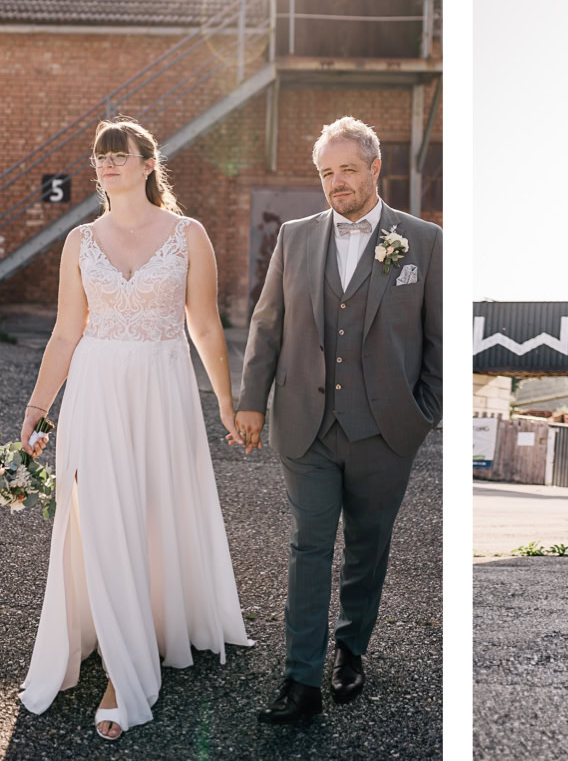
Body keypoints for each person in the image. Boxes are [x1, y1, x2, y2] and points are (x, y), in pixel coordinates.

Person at [18, 120, 253, 740]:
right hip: (95, 391)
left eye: (120, 156)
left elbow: (204, 327)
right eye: (101, 157)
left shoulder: (188, 235)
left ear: (150, 164)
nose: (108, 165)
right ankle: (115, 656)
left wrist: (227, 405)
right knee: (100, 517)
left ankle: (139, 646)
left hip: (161, 390)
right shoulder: (78, 241)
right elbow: (67, 332)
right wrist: (37, 405)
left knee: (148, 513)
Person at [237, 116, 442, 724]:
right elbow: (266, 323)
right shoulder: (295, 238)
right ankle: (300, 679)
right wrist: (253, 398)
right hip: (306, 424)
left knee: (368, 549)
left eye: (347, 170)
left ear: (376, 168)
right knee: (309, 546)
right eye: (327, 173)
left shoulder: (424, 242)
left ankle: (350, 650)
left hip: (386, 431)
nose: (336, 183)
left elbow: (438, 340)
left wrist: (421, 415)